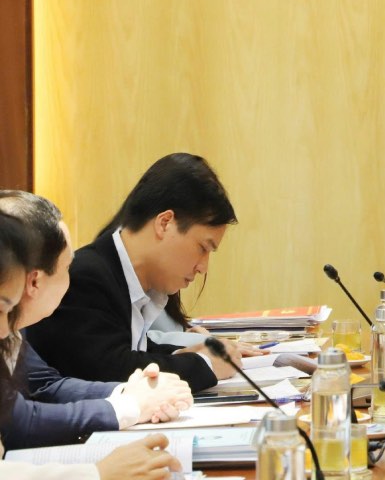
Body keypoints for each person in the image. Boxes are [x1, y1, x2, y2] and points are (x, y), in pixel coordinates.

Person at [26, 153, 242, 392]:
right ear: (165, 223)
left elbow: (132, 350)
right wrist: (203, 364)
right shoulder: (86, 277)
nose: (203, 267)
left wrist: (185, 352)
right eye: (203, 248)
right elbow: (110, 370)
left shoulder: (120, 273)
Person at [0, 190, 192, 449]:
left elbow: (44, 385)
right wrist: (130, 406)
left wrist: (131, 392)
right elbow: (19, 422)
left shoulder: (14, 327)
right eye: (67, 267)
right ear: (35, 280)